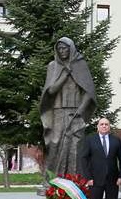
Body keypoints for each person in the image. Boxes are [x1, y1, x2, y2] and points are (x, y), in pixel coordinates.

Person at [40, 36, 97, 177]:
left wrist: (81, 110)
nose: (62, 51)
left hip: (76, 110)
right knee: (55, 142)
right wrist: (65, 74)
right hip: (58, 111)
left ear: (71, 48)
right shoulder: (53, 66)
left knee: (75, 144)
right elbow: (51, 90)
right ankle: (51, 179)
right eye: (59, 48)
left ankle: (74, 179)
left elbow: (88, 92)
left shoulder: (80, 65)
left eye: (64, 48)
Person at [78, 117, 121, 199]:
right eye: (101, 124)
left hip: (113, 179)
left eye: (106, 124)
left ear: (109, 127)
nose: (104, 126)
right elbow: (84, 159)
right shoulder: (90, 140)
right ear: (98, 127)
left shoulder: (116, 140)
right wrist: (88, 177)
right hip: (95, 179)